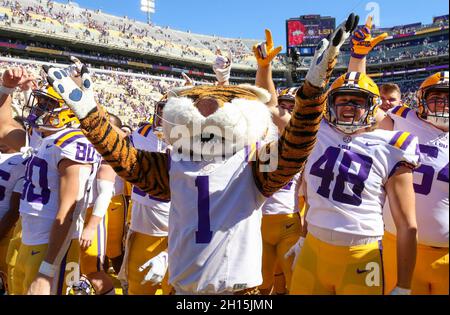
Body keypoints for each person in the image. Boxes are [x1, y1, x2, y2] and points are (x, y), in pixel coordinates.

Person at [41, 13, 358, 294]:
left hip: (238, 292)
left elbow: (295, 145)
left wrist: (313, 88)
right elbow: (127, 160)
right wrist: (90, 114)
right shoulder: (174, 161)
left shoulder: (251, 160)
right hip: (186, 288)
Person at [289, 71, 419, 295]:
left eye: (357, 101)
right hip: (312, 248)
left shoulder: (392, 146)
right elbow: (313, 196)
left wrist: (404, 285)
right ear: (330, 104)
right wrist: (302, 237)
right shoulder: (317, 133)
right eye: (342, 100)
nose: (349, 106)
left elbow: (407, 225)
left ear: (373, 106)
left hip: (360, 255)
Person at [0, 67, 98, 295]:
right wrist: (6, 88)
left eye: (48, 104)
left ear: (71, 110)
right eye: (41, 102)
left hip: (52, 246)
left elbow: (69, 211)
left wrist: (47, 270)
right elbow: (4, 128)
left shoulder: (74, 142)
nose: (39, 108)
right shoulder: (43, 134)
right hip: (28, 234)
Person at [379, 71, 449, 295]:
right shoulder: (402, 118)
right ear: (421, 99)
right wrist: (358, 57)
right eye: (436, 97)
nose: (443, 104)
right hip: (397, 245)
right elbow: (364, 101)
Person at [0, 142, 26, 294]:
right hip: (6, 230)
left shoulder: (25, 162)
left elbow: (14, 211)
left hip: (6, 232)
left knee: (9, 283)